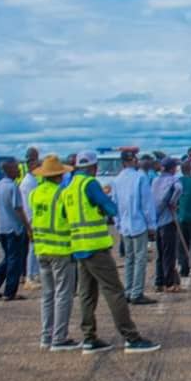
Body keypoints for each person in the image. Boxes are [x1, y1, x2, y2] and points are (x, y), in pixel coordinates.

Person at [63, 151, 161, 353]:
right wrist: (105, 210)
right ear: (93, 167)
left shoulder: (69, 187)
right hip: (96, 246)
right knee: (114, 291)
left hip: (78, 246)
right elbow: (110, 207)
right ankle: (131, 337)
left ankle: (89, 337)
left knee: (87, 293)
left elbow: (65, 214)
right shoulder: (89, 184)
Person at [29, 155, 81, 351]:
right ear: (59, 175)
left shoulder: (34, 193)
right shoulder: (61, 194)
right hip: (60, 249)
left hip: (41, 249)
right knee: (63, 295)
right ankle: (59, 337)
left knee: (48, 295)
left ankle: (46, 336)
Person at [111, 150, 158, 304]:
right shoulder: (140, 177)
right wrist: (151, 225)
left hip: (124, 225)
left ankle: (128, 290)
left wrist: (117, 222)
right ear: (129, 161)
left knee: (130, 259)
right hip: (138, 224)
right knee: (140, 259)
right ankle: (136, 292)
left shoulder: (117, 180)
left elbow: (115, 204)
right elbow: (146, 204)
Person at [0, 159, 32, 301]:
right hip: (14, 229)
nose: (18, 171)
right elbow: (18, 209)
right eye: (16, 168)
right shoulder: (13, 187)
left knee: (8, 259)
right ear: (10, 170)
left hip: (3, 228)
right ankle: (10, 292)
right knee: (14, 262)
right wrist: (28, 227)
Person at [152, 157, 181, 293]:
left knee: (160, 253)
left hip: (157, 221)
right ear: (172, 168)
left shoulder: (155, 180)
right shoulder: (173, 180)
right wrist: (173, 202)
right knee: (169, 253)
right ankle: (169, 283)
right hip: (168, 220)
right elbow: (179, 189)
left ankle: (159, 281)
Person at [19, 155, 42, 291]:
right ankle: (30, 276)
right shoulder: (29, 182)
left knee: (35, 248)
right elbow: (29, 204)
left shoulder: (31, 180)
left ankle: (33, 274)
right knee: (33, 249)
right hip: (32, 218)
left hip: (32, 217)